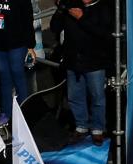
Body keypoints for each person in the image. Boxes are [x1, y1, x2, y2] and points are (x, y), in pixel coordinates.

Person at [50, 0, 111, 145]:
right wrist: (60, 10)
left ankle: (98, 129)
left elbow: (103, 33)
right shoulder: (71, 6)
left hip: (95, 62)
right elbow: (54, 27)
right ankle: (81, 126)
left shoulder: (103, 9)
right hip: (73, 63)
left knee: (97, 97)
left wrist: (81, 18)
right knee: (75, 96)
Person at [0, 0, 34, 127]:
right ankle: (6, 113)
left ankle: (24, 113)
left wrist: (30, 46)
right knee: (4, 79)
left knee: (18, 76)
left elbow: (28, 20)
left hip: (17, 44)